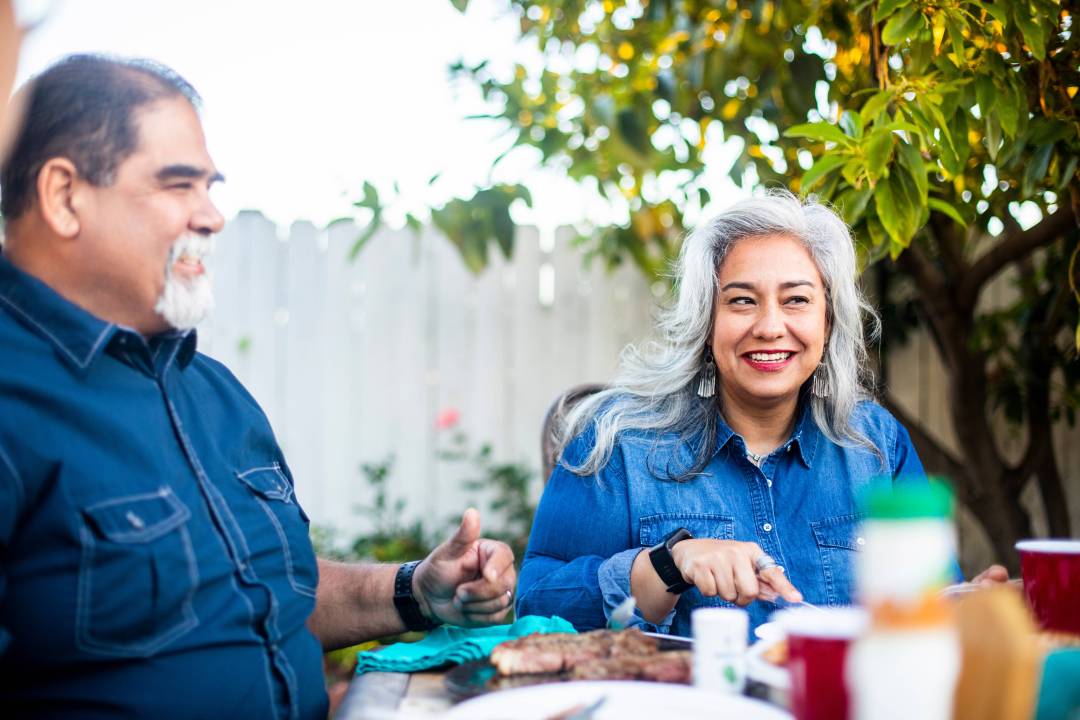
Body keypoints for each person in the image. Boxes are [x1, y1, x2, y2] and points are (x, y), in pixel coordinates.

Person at [0, 54, 516, 718]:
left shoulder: (213, 393)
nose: (212, 215)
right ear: (65, 196)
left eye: (209, 186)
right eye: (178, 185)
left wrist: (417, 589)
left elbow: (265, 595)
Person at [516, 191, 1007, 636]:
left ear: (828, 319)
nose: (770, 326)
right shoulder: (619, 443)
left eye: (796, 300)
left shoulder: (877, 446)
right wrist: (668, 564)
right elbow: (536, 608)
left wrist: (972, 605)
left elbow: (931, 606)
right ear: (706, 321)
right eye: (742, 301)